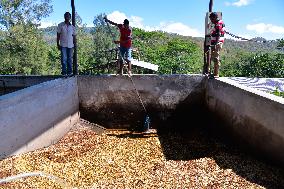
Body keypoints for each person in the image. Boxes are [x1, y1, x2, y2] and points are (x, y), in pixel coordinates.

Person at [208, 12, 225, 78]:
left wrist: (215, 44)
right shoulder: (219, 23)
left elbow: (218, 34)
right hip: (216, 42)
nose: (211, 21)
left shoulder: (218, 24)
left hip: (217, 43)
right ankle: (215, 73)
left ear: (215, 18)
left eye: (212, 19)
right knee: (214, 57)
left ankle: (216, 74)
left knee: (216, 58)